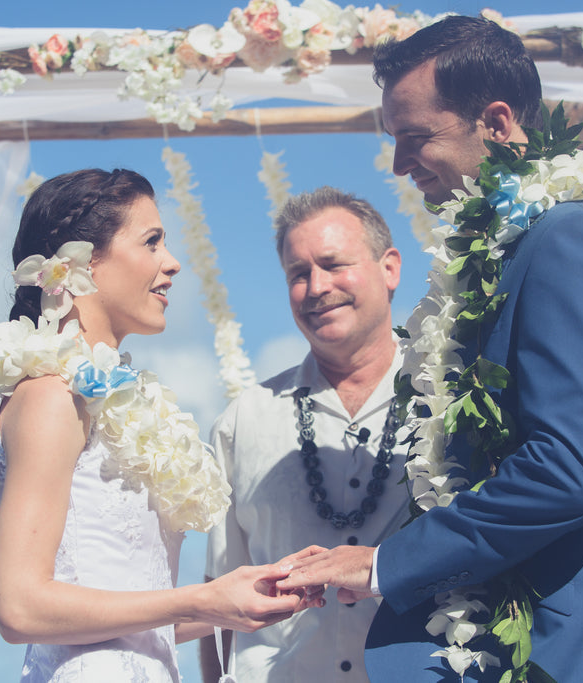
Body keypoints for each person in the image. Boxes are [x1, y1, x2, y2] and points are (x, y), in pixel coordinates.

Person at [276, 16, 583, 682]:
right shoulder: (500, 255)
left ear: (494, 120)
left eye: (415, 137)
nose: (400, 165)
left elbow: (573, 467)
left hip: (567, 650)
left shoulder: (574, 239)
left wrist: (385, 563)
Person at [0, 168, 320, 683]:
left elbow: (132, 616)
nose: (172, 263)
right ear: (81, 262)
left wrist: (240, 597)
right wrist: (202, 596)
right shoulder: (50, 397)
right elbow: (19, 607)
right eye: (152, 242)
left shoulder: (101, 396)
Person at [201, 187, 413, 682]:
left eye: (334, 264)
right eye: (298, 274)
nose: (316, 287)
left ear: (390, 268)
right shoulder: (241, 423)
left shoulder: (455, 403)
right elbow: (219, 598)